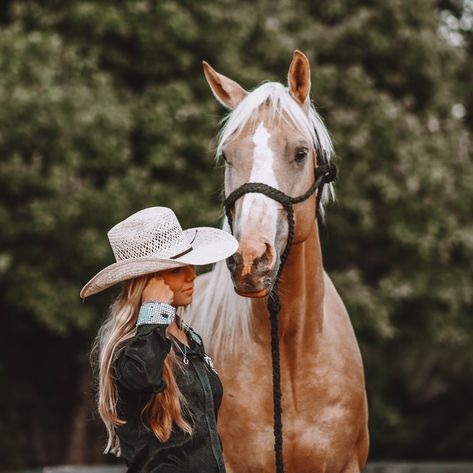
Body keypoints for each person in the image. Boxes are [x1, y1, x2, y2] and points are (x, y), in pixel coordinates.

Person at [80, 207, 238, 473]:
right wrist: (153, 310)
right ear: (148, 282)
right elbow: (143, 375)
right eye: (177, 270)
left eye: (190, 265)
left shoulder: (188, 338)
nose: (192, 275)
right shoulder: (129, 347)